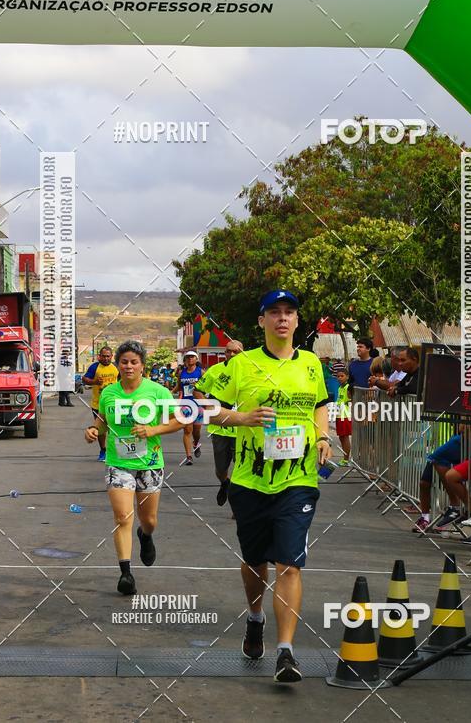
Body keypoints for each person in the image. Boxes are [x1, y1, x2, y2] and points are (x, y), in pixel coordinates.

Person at [209, 289, 332, 683]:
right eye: (274, 312)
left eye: (289, 312)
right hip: (250, 481)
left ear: (297, 321)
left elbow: (320, 405)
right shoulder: (242, 364)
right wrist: (242, 418)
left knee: (289, 564)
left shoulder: (311, 364)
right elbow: (204, 406)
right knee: (254, 562)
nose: (282, 318)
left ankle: (286, 652)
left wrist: (323, 436)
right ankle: (255, 616)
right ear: (262, 321)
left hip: (298, 481)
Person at [84, 340, 183, 596]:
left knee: (148, 520)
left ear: (142, 366)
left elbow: (178, 421)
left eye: (134, 362)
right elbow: (102, 419)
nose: (128, 366)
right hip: (118, 463)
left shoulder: (157, 392)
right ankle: (125, 573)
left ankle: (146, 535)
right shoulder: (109, 393)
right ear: (118, 365)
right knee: (122, 517)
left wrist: (153, 430)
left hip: (150, 463)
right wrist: (94, 429)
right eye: (124, 362)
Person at [194, 341, 244, 506]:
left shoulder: (251, 371)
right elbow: (198, 390)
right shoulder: (215, 370)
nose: (232, 355)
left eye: (236, 352)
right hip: (220, 429)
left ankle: (237, 506)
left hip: (242, 429)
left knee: (241, 468)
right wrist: (209, 407)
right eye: (228, 351)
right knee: (221, 469)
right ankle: (225, 483)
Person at [83, 346, 119, 461]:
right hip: (98, 404)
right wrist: (94, 381)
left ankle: (116, 451)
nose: (106, 358)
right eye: (103, 356)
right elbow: (84, 379)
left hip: (115, 403)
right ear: (99, 356)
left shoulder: (116, 367)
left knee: (116, 428)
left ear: (112, 356)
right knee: (101, 429)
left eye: (108, 356)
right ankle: (103, 451)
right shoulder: (95, 367)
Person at [175, 350, 204, 464]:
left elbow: (208, 386)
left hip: (198, 404)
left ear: (196, 359)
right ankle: (188, 456)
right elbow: (179, 386)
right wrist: (168, 393)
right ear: (185, 360)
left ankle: (196, 443)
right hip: (186, 404)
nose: (190, 359)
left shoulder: (201, 372)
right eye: (188, 357)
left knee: (196, 431)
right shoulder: (181, 373)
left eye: (192, 357)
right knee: (187, 430)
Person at [332, 362, 351, 465]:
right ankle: (345, 458)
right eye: (338, 376)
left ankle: (346, 459)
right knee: (341, 437)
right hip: (339, 414)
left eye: (342, 376)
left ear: (347, 377)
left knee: (345, 437)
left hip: (346, 416)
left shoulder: (348, 388)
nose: (339, 378)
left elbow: (353, 400)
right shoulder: (340, 388)